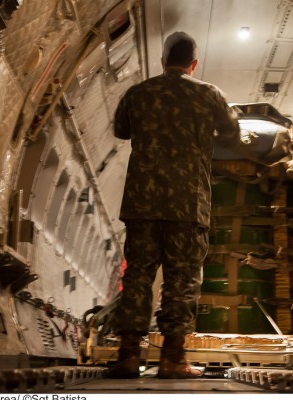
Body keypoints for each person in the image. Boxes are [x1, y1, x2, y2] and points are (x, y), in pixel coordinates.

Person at [107, 31, 239, 379]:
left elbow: (121, 131)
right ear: (194, 64)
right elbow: (231, 132)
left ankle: (128, 356)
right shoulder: (208, 94)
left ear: (163, 62)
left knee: (136, 275)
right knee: (182, 279)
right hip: (187, 202)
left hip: (142, 201)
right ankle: (172, 358)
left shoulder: (138, 92)